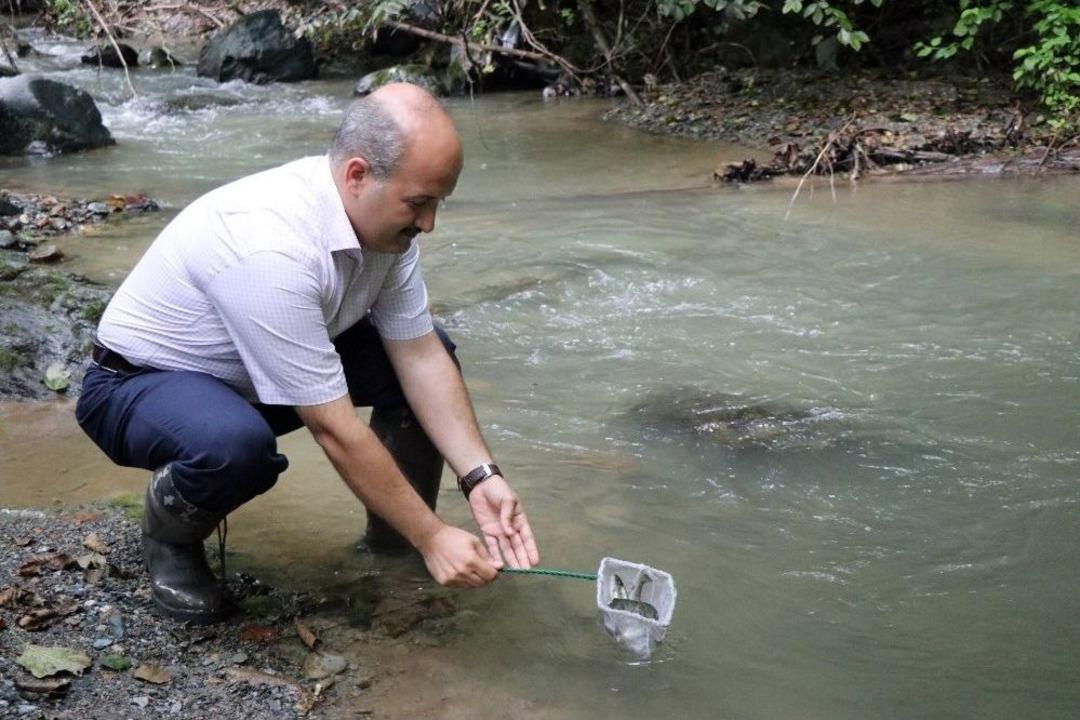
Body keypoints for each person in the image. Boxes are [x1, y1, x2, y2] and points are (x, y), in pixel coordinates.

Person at [75, 82, 540, 624]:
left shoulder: (386, 231)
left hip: (248, 377)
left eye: (438, 203)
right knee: (235, 447)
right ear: (358, 175)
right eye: (420, 203)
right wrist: (435, 535)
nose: (430, 223)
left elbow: (419, 356)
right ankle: (168, 538)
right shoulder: (271, 247)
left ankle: (393, 546)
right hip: (136, 387)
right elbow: (334, 429)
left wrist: (481, 477)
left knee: (439, 345)